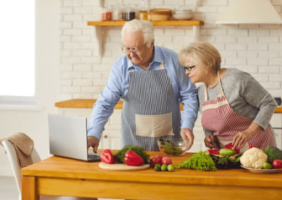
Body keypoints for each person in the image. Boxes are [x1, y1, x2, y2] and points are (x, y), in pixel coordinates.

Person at [87, 19, 198, 152]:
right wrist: (94, 133)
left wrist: (187, 125)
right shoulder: (120, 67)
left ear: (151, 44)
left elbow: (189, 95)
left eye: (136, 48)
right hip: (133, 148)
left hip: (170, 147)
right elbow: (105, 103)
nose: (131, 54)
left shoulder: (173, 61)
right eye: (127, 48)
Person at [178, 41, 277, 152]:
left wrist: (249, 132)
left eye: (190, 68)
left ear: (206, 63)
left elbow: (269, 103)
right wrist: (209, 135)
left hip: (256, 148)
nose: (187, 72)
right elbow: (211, 124)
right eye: (185, 68)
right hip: (227, 154)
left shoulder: (236, 79)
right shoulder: (201, 92)